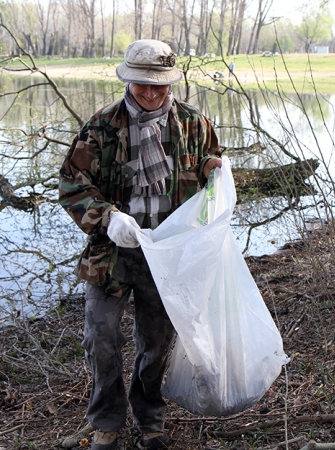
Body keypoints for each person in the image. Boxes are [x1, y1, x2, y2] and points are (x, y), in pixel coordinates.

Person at [59, 39, 222, 450]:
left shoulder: (194, 124)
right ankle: (107, 422)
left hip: (168, 254)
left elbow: (210, 165)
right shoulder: (101, 127)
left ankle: (150, 419)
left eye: (160, 87)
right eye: (141, 86)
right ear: (128, 80)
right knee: (101, 340)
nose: (150, 94)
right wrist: (108, 218)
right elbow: (72, 185)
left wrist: (212, 169)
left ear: (171, 84)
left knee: (156, 343)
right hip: (112, 254)